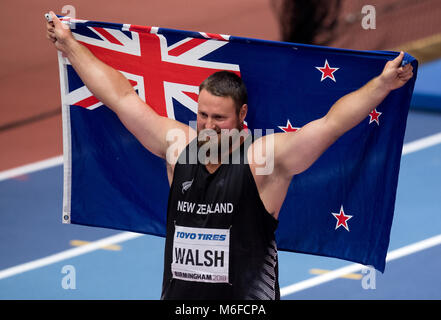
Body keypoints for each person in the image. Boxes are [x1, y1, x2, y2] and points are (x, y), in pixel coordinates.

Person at [46, 12, 413, 300]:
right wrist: (69, 45)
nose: (208, 125)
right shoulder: (179, 148)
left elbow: (331, 124)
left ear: (241, 117)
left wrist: (382, 84)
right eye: (203, 114)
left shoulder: (263, 161)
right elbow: (121, 99)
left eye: (219, 117)